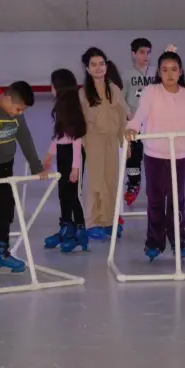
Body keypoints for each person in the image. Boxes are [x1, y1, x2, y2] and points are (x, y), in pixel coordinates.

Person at [126, 47, 185, 261]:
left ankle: (178, 240)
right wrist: (131, 128)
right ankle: (154, 242)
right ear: (159, 72)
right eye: (165, 70)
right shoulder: (151, 92)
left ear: (180, 71)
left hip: (180, 156)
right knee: (155, 199)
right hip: (154, 155)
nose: (169, 74)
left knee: (177, 200)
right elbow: (140, 115)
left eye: (174, 69)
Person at [0, 82, 48, 276]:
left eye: (22, 111)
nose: (19, 113)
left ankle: (1, 251)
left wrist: (36, 166)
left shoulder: (16, 114)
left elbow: (25, 138)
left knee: (5, 209)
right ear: (8, 98)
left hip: (4, 166)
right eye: (18, 109)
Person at [79, 47, 128, 240]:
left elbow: (123, 116)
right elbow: (80, 121)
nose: (98, 68)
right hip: (93, 142)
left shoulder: (114, 89)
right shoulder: (83, 93)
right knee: (95, 182)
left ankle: (109, 221)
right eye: (93, 65)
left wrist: (125, 141)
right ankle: (92, 222)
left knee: (111, 181)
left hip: (112, 142)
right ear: (87, 69)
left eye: (101, 64)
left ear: (106, 66)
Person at [42, 69, 88, 253]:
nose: (51, 88)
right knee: (63, 192)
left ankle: (80, 231)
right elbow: (59, 136)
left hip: (72, 154)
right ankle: (66, 226)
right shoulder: (61, 106)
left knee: (73, 193)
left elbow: (76, 139)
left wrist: (75, 167)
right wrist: (49, 154)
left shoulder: (71, 107)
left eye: (52, 84)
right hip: (62, 153)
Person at [123, 37, 156, 207]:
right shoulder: (126, 75)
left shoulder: (156, 73)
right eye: (142, 52)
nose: (146, 56)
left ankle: (155, 186)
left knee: (154, 156)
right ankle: (133, 183)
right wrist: (128, 113)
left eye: (148, 53)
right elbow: (120, 99)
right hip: (134, 124)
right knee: (133, 156)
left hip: (153, 124)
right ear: (133, 54)